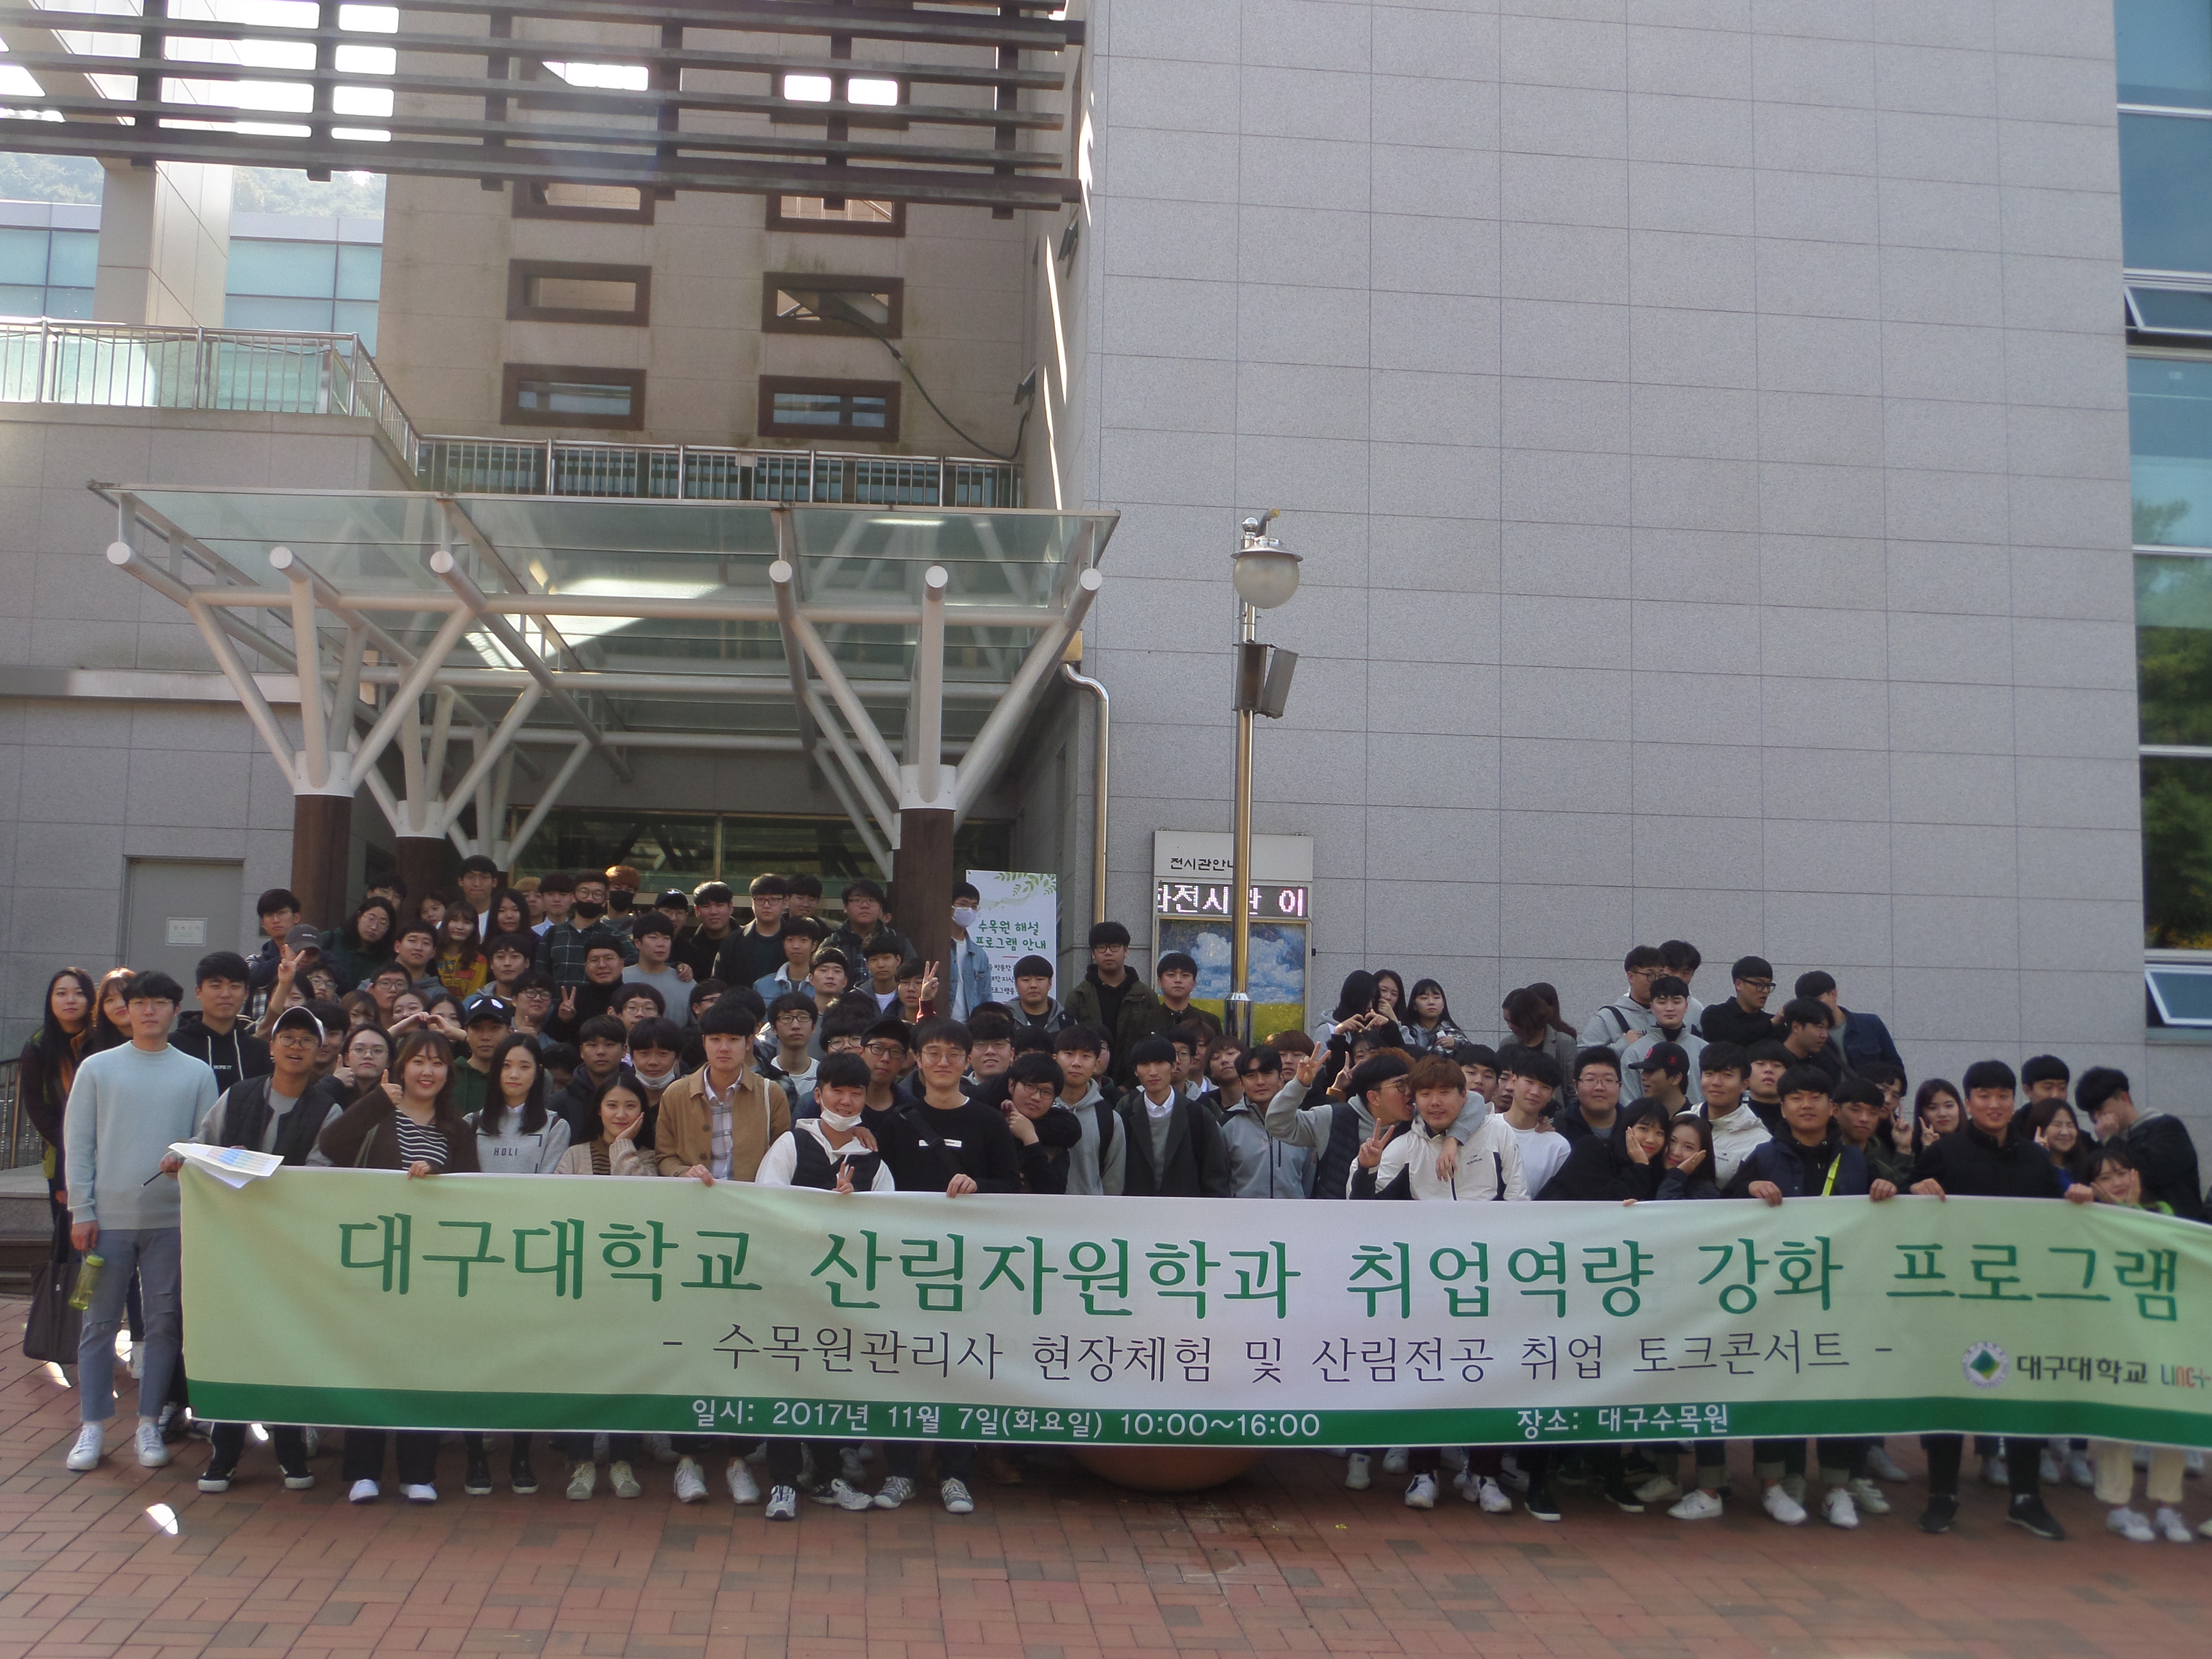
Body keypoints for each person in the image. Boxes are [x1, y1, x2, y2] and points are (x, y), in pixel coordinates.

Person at [1908, 1058, 2094, 1540]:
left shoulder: (2036, 1159)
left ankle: (2026, 1498)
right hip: (1955, 1299)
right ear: (1969, 1101)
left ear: (2015, 1101)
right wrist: (1915, 1190)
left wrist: (2076, 1201)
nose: (1994, 1105)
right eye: (1984, 1096)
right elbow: (1910, 1217)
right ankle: (1942, 1496)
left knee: (2021, 1395)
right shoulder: (1944, 1153)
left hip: (2019, 1301)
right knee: (1949, 1395)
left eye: (2003, 1096)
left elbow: (2055, 1225)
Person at [60, 971, 220, 1476]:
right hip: (107, 1221)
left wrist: (184, 1157)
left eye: (160, 1003)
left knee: (165, 1322)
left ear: (176, 1009)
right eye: (140, 1003)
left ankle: (149, 1422)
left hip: (171, 1220)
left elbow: (205, 1141)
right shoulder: (97, 1069)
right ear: (125, 1011)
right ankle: (92, 1425)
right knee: (99, 1323)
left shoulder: (196, 1073)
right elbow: (78, 1145)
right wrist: (82, 1210)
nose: (149, 1011)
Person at [1728, 1064, 1895, 1529]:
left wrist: (1889, 1189)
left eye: (1816, 1097)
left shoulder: (1856, 1160)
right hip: (1778, 1299)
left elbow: (1889, 1208)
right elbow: (1720, 1208)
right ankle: (1774, 1485)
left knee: (1838, 1388)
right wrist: (1748, 1189)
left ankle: (1838, 1489)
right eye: (1796, 1098)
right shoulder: (1764, 1156)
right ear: (1782, 1107)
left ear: (1831, 1107)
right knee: (1778, 1389)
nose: (1806, 1105)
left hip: (1841, 1298)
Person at [318, 1031, 480, 1504]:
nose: (428, 1071)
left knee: (423, 1366)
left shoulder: (457, 1128)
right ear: (401, 1068)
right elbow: (331, 1145)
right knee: (368, 1363)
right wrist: (376, 1102)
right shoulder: (376, 1113)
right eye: (418, 1061)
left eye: (438, 1063)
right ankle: (363, 1470)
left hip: (431, 1263)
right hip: (375, 1257)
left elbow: (473, 1189)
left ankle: (418, 1472)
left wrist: (439, 1178)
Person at [869, 1017, 1022, 1514]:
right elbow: (879, 1193)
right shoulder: (896, 1123)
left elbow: (1013, 1186)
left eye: (953, 1054)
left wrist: (979, 1186)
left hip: (968, 1267)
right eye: (932, 1052)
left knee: (961, 1366)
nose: (943, 1062)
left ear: (968, 1060)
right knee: (902, 1367)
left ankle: (957, 1473)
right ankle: (900, 1472)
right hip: (906, 1265)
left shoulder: (988, 1122)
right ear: (917, 1060)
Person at [192, 1005, 345, 1493]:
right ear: (272, 1047)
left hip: (291, 1247)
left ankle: (290, 1449)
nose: (296, 1046)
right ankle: (225, 1451)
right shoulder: (237, 1096)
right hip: (233, 1242)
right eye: (287, 1037)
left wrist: (266, 1177)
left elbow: (323, 1174)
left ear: (320, 1052)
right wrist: (195, 1161)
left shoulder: (328, 1110)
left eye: (307, 1040)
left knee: (287, 1344)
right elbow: (204, 1146)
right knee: (233, 1344)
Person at [751, 1051, 893, 1519]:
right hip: (788, 1286)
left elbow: (889, 1225)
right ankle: (783, 1483)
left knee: (831, 1382)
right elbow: (768, 1204)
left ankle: (830, 1477)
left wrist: (855, 1209)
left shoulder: (872, 1159)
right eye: (838, 1091)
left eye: (856, 1093)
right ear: (819, 1093)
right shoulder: (792, 1143)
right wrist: (823, 1206)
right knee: (785, 1380)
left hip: (841, 1295)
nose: (846, 1101)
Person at [2081, 1144, 2198, 1543]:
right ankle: (2119, 1508)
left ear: (2136, 1174)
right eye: (2105, 1177)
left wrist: (2130, 1210)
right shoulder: (2091, 1220)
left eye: (2122, 1173)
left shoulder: (2164, 1215)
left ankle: (2167, 1507)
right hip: (2114, 1335)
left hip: (2164, 1334)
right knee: (2119, 1422)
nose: (2117, 1182)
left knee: (2171, 1420)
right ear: (2093, 1186)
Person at [1262, 1040, 1412, 1201]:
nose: (1410, 1092)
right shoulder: (1334, 1118)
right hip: (1334, 1214)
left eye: (1411, 1083)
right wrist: (1299, 1085)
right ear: (1374, 1097)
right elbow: (1278, 1124)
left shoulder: (1420, 1124)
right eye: (1401, 1085)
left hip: (1403, 1216)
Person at [2078, 1067, 2204, 1222]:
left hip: (2177, 1227)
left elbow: (2152, 1173)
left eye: (2100, 1109)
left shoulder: (2167, 1128)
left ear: (2124, 1098)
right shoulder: (2105, 1144)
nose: (2096, 1118)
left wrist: (2110, 1140)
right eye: (2091, 1113)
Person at [21, 967, 96, 1223]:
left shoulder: (102, 1041)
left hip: (107, 1149)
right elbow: (35, 1104)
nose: (70, 1000)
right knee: (68, 1227)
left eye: (79, 993)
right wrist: (72, 1145)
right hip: (61, 1151)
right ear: (51, 1000)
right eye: (61, 993)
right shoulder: (38, 1046)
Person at [1117, 1036, 1231, 1197]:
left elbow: (1215, 1178)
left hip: (1187, 1209)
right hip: (1137, 1208)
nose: (1153, 1072)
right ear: (1136, 1071)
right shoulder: (1124, 1117)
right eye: (1144, 1064)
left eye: (1160, 1063)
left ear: (1173, 1066)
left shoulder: (1199, 1116)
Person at [1064, 922, 1163, 1082]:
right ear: (1093, 953)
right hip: (1088, 1082)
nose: (1108, 952)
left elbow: (1152, 1045)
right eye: (1101, 947)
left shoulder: (1146, 996)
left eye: (1115, 947)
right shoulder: (1078, 997)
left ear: (1126, 951)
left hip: (1136, 1084)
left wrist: (1131, 1085)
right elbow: (1069, 1045)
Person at [173, 951, 271, 1098]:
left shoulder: (259, 1052)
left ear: (246, 993)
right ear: (198, 992)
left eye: (235, 986)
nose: (225, 994)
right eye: (216, 986)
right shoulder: (174, 1047)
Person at [1539, 1096, 1668, 1202]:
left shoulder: (1657, 1169)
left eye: (1660, 1133)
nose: (1651, 1140)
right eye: (1643, 1129)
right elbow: (1609, 1204)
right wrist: (1641, 1166)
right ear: (1626, 1128)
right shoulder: (1592, 1150)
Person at [1049, 1024, 1124, 1195]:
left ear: (1096, 1064)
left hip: (1091, 1210)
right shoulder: (1037, 1109)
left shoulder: (1110, 1120)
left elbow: (1113, 1182)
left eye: (1086, 1056)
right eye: (1069, 1054)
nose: (1076, 1063)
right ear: (1054, 1059)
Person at [1795, 971, 1903, 1073]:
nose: (1813, 1006)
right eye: (1807, 1003)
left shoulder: (1870, 1024)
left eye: (1818, 1000)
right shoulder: (1804, 1034)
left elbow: (1895, 1067)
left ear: (1833, 995)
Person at [1693, 1043, 1770, 1185]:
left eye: (1727, 1075)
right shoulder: (1683, 1120)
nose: (1716, 1082)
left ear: (1744, 1085)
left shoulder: (1759, 1142)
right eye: (1709, 1074)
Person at [1497, 1050, 1570, 1197]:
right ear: (1514, 1081)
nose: (1535, 1092)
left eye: (1545, 1087)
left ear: (1552, 1094)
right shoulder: (1485, 1127)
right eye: (1529, 1082)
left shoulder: (1558, 1147)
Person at [1620, 979, 1704, 1101]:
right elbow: (1628, 1102)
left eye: (1676, 1002)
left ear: (1686, 1006)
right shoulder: (1634, 1053)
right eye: (1662, 1002)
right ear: (1652, 1007)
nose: (1670, 1008)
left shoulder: (1703, 1050)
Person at [1577, 945, 1663, 1052]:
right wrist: (1622, 1046)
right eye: (1650, 975)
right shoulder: (1607, 1017)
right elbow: (1583, 1056)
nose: (1657, 981)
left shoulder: (1670, 1013)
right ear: (1631, 977)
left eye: (1661, 976)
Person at [448, 993, 512, 1121]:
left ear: (510, 1032)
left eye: (495, 1028)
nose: (485, 1037)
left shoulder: (517, 1077)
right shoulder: (449, 1074)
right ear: (466, 1032)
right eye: (477, 1028)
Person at [722, 873, 792, 988]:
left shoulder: (796, 941)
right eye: (760, 900)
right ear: (752, 903)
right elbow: (719, 984)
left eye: (773, 900)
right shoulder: (732, 942)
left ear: (785, 902)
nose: (766, 905)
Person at [622, 911, 694, 1018]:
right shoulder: (620, 978)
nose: (661, 944)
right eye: (653, 938)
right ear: (638, 943)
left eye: (666, 938)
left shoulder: (686, 981)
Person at [1697, 955, 1777, 1047]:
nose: (1766, 991)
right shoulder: (1715, 1014)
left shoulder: (1774, 1022)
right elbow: (1726, 1043)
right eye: (1759, 984)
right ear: (1739, 984)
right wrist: (1771, 1024)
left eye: (1769, 985)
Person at [323, 897, 396, 991]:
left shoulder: (386, 961)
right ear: (359, 917)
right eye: (371, 919)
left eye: (382, 923)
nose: (374, 927)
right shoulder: (330, 939)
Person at [943, 881, 992, 1020]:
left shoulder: (980, 955)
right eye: (963, 904)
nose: (969, 910)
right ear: (950, 906)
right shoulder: (936, 947)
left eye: (974, 906)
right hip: (941, 1023)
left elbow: (986, 997)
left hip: (970, 1025)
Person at [752, 915, 828, 1004]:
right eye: (790, 940)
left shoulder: (825, 985)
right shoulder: (762, 986)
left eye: (803, 940)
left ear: (814, 945)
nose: (796, 946)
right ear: (783, 944)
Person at [2028, 1096, 2096, 1188]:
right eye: (2057, 1125)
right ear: (2039, 1130)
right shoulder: (2027, 1167)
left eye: (2070, 1125)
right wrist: (2038, 1157)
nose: (2065, 1132)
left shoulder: (2087, 1168)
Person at [1154, 952, 1223, 1041]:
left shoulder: (1210, 1022)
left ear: (1194, 983)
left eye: (1185, 975)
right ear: (1160, 982)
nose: (1178, 980)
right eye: (1171, 975)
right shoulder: (1143, 1021)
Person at [1558, 1049, 1624, 1141]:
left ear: (1620, 1086)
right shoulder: (1559, 1126)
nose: (1599, 1087)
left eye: (1608, 1080)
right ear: (1576, 1086)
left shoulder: (1634, 1123)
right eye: (1590, 1080)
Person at [823, 878, 889, 967]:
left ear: (880, 907)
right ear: (845, 907)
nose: (865, 906)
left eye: (871, 900)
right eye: (857, 900)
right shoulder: (832, 943)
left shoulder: (897, 942)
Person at [1776, 998, 1841, 1082]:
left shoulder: (1825, 1064)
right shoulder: (1774, 1061)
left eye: (1827, 1029)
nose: (1825, 1035)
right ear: (1796, 1027)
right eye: (1819, 1027)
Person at [1396, 978, 1466, 1053]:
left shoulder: (1454, 1034)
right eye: (1424, 998)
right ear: (1415, 1005)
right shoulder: (1407, 1032)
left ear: (1443, 1004)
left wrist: (1456, 1044)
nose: (1431, 1002)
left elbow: (1471, 1053)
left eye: (1437, 998)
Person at [435, 906, 487, 997]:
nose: (460, 927)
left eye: (467, 922)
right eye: (455, 921)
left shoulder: (479, 961)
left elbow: (474, 997)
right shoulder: (432, 954)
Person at [1008, 954, 1066, 1034]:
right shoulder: (1005, 1019)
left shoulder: (1065, 1020)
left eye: (1040, 979)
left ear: (1050, 983)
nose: (1033, 985)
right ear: (1016, 985)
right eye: (1026, 980)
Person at [1910, 1077, 1963, 1157]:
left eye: (1949, 1106)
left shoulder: (1975, 1144)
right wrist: (1928, 1149)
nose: (1942, 1114)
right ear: (1922, 1113)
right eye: (1933, 1108)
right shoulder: (1910, 1149)